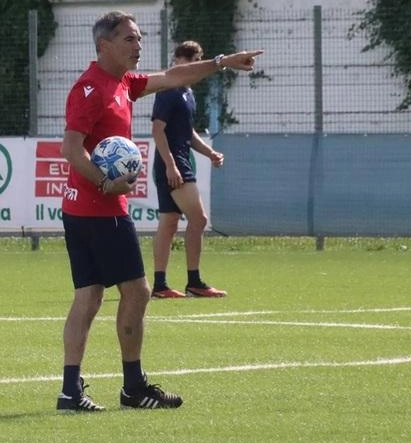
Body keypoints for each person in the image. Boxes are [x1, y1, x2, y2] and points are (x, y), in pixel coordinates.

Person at [57, 10, 262, 412]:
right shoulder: (90, 88)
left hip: (82, 209)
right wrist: (103, 181)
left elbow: (174, 76)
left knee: (89, 297)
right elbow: (71, 147)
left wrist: (221, 62)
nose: (138, 45)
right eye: (129, 39)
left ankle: (70, 391)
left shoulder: (123, 83)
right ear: (104, 45)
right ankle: (133, 388)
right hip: (101, 211)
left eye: (139, 37)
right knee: (137, 291)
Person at [150, 41, 227, 299]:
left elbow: (188, 134)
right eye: (193, 62)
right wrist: (171, 165)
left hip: (176, 161)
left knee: (170, 221)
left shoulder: (187, 92)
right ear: (181, 60)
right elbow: (157, 129)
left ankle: (160, 285)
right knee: (199, 219)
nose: (196, 67)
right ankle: (194, 281)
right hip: (172, 163)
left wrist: (209, 153)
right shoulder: (169, 89)